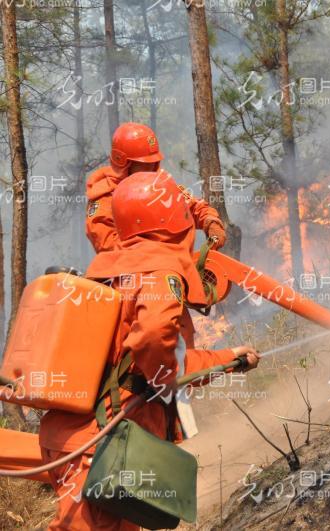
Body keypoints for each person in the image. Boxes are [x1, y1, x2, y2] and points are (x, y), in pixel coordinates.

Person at [39, 171, 258, 530]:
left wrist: (226, 361)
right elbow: (156, 341)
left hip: (78, 436)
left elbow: (152, 358)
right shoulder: (158, 271)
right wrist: (169, 379)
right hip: (102, 441)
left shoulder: (110, 265)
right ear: (172, 218)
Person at [86, 122, 227, 253]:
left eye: (153, 164)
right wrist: (153, 255)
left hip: (172, 267)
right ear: (124, 164)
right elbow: (106, 245)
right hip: (131, 273)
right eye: (144, 164)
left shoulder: (160, 185)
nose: (151, 169)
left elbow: (194, 206)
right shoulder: (105, 197)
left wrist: (210, 221)